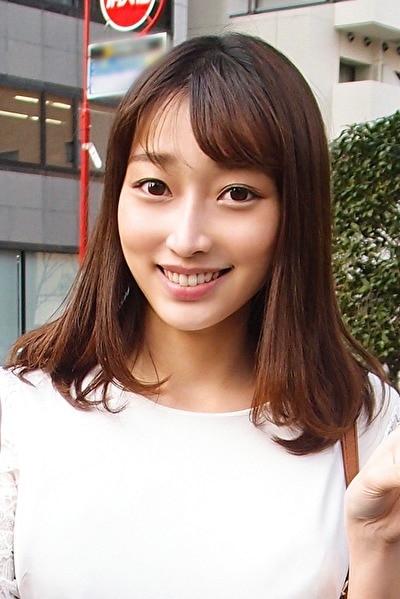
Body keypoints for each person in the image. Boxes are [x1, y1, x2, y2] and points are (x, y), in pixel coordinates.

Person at [0, 33, 399, 599]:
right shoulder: (22, 416)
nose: (187, 239)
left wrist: (378, 545)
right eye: (155, 186)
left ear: (295, 213)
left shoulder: (363, 425)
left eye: (237, 193)